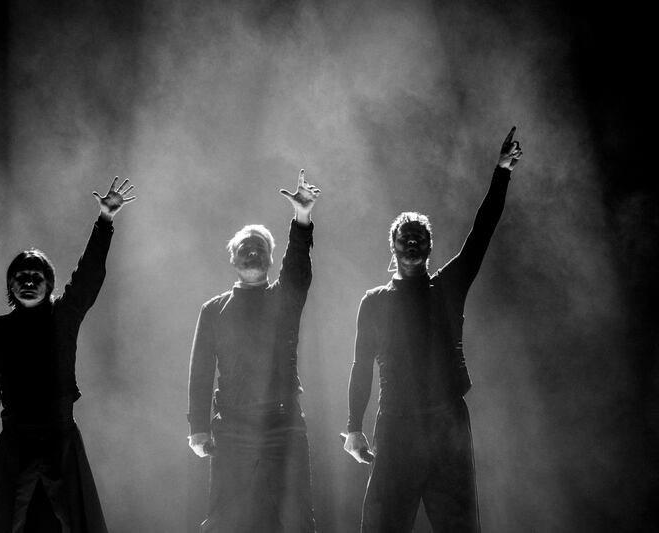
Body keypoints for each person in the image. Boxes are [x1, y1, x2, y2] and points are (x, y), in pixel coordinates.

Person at [343, 128, 523, 532]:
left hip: (447, 424)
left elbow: (481, 233)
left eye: (419, 237)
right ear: (393, 246)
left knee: (458, 524)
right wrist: (354, 426)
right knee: (382, 524)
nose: (412, 242)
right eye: (405, 237)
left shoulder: (448, 287)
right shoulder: (374, 302)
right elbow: (360, 366)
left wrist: (502, 172)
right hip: (396, 424)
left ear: (429, 246)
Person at [0, 177, 136, 533]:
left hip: (59, 438)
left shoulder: (63, 315)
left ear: (49, 283)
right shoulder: (0, 328)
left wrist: (105, 220)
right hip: (15, 440)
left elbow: (88, 277)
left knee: (74, 523)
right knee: (5, 523)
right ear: (11, 285)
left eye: (36, 276)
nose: (28, 282)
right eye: (21, 277)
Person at [187, 170, 321, 532]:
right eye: (245, 247)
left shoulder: (284, 299)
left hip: (284, 424)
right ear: (233, 259)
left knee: (296, 518)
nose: (252, 251)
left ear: (270, 259)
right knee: (226, 519)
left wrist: (302, 218)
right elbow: (201, 371)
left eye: (260, 247)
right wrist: (198, 426)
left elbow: (298, 268)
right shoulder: (213, 310)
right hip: (233, 428)